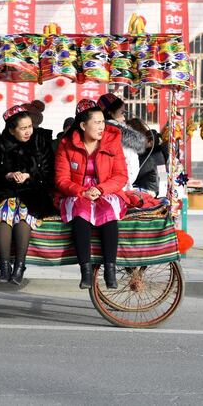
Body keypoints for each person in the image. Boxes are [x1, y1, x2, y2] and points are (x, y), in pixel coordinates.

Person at [55, 99, 128, 290]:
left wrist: (101, 189)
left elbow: (121, 176)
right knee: (80, 212)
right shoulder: (66, 145)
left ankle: (110, 270)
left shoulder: (113, 141)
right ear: (82, 125)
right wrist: (82, 192)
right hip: (78, 191)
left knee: (109, 211)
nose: (102, 127)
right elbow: (61, 179)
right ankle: (85, 271)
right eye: (96, 122)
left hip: (106, 189)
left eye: (103, 122)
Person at [0, 105, 55, 285]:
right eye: (23, 128)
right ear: (11, 130)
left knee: (24, 212)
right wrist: (7, 175)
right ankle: (4, 265)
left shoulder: (41, 142)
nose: (28, 131)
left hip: (33, 192)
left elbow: (49, 175)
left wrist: (29, 176)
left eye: (30, 126)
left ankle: (19, 266)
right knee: (5, 212)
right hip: (5, 192)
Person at [97, 93, 147, 189]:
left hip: (119, 183)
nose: (124, 118)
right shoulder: (114, 133)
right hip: (119, 183)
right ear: (110, 112)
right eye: (121, 113)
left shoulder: (114, 131)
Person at [126, 118, 161, 196]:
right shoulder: (155, 154)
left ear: (150, 142)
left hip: (148, 189)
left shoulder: (150, 157)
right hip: (152, 187)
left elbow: (133, 174)